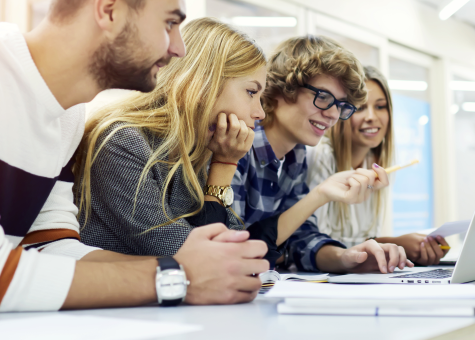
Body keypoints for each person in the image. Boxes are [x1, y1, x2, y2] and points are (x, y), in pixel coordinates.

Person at [0, 0, 267, 312]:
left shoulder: (67, 116)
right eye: (170, 23)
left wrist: (186, 267)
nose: (179, 49)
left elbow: (51, 248)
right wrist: (173, 277)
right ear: (109, 10)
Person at [75, 19, 401, 268]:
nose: (258, 112)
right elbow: (209, 256)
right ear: (205, 83)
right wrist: (226, 165)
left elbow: (230, 243)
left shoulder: (203, 151)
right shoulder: (124, 142)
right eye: (251, 93)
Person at [232, 35, 414, 274]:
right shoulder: (236, 145)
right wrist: (319, 195)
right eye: (324, 97)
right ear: (280, 89)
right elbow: (233, 249)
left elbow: (300, 241)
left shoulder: (295, 155)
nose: (333, 115)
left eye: (341, 105)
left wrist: (349, 258)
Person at [306, 65, 449, 265]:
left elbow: (358, 239)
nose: (372, 116)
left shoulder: (374, 165)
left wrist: (397, 246)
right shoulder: (319, 155)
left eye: (380, 106)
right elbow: (313, 243)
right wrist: (393, 243)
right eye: (361, 107)